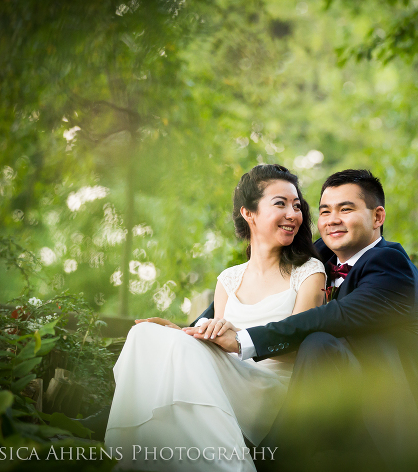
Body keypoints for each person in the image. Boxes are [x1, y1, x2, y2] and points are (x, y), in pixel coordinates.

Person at [188, 169, 418, 471]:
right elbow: (242, 285)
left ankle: (273, 459)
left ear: (378, 217)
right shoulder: (323, 253)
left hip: (375, 420)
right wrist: (196, 327)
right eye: (325, 211)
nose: (331, 220)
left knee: (318, 343)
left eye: (346, 209)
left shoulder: (391, 265)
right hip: (323, 406)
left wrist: (242, 340)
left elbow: (333, 316)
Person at [103, 164, 326, 471]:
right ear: (249, 213)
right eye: (280, 204)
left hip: (269, 388)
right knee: (144, 335)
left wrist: (234, 339)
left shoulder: (309, 272)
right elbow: (214, 342)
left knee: (179, 351)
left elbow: (303, 345)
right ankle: (141, 458)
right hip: (224, 378)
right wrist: (183, 332)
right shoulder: (229, 279)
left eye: (297, 206)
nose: (293, 214)